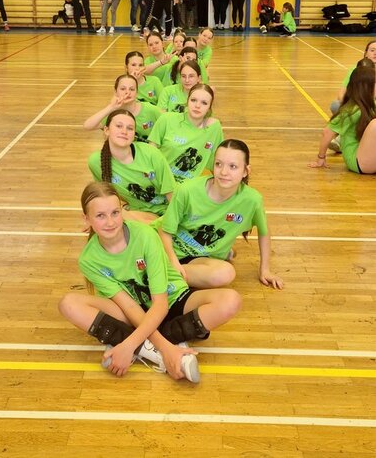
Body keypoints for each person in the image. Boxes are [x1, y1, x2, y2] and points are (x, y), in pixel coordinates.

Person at [58, 181, 241, 381]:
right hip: (131, 312)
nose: (110, 222)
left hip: (170, 300)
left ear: (122, 210)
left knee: (230, 300)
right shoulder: (88, 259)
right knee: (69, 304)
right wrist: (166, 349)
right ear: (86, 219)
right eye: (100, 215)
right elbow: (128, 306)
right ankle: (163, 350)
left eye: (115, 213)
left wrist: (128, 345)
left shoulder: (146, 236)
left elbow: (161, 304)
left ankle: (138, 345)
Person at [154, 139, 284, 290]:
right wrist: (173, 262)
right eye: (218, 164)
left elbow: (264, 231)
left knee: (226, 273)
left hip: (199, 260)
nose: (223, 172)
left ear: (245, 171)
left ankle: (158, 274)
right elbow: (164, 231)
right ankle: (161, 272)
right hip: (164, 248)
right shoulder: (187, 190)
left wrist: (265, 270)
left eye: (233, 166)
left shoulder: (252, 200)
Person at [87, 109, 175, 221]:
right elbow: (103, 195)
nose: (124, 131)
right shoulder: (96, 161)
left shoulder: (151, 154)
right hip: (135, 214)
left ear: (134, 134)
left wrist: (172, 221)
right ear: (106, 130)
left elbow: (171, 193)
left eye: (130, 128)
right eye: (119, 126)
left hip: (166, 210)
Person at [149, 83, 224, 183]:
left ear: (209, 107)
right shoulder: (167, 119)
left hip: (188, 187)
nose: (197, 106)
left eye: (204, 103)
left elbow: (218, 160)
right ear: (187, 101)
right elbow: (151, 151)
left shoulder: (214, 127)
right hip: (160, 180)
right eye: (193, 100)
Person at [309, 66, 376, 175]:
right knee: (374, 125)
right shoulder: (352, 110)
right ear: (366, 87)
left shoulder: (372, 105)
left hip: (370, 156)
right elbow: (327, 132)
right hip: (357, 160)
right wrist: (321, 158)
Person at [83, 74, 162, 143]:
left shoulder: (150, 109)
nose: (127, 92)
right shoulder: (114, 113)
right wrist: (110, 107)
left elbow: (167, 121)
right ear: (115, 92)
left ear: (137, 92)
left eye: (132, 89)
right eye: (123, 89)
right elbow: (88, 126)